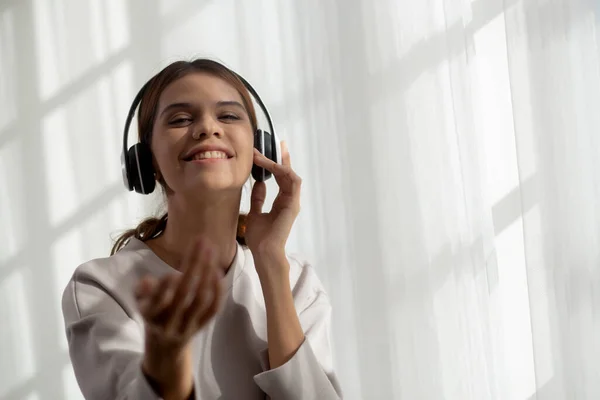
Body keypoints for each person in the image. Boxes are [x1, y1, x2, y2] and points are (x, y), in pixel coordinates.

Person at [61, 59, 342, 400]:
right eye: (180, 119)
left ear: (259, 149)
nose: (208, 128)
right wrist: (166, 365)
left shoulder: (296, 282)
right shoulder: (101, 287)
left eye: (228, 116)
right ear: (145, 161)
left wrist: (270, 264)